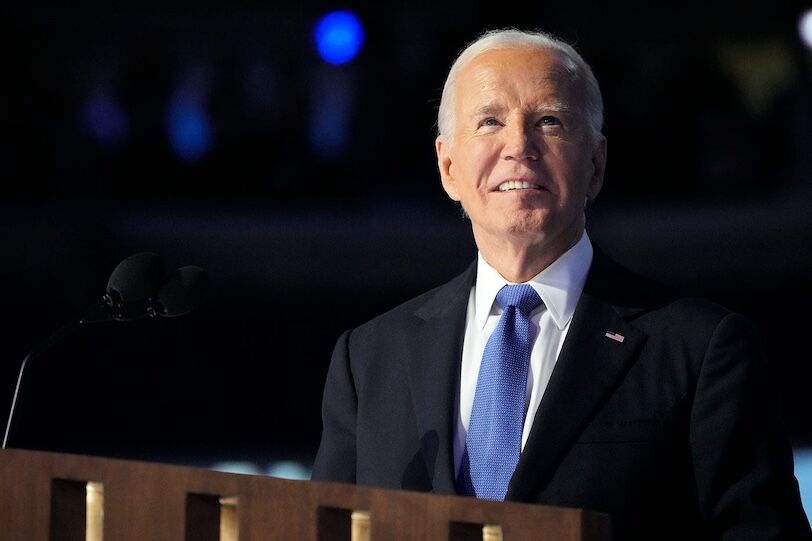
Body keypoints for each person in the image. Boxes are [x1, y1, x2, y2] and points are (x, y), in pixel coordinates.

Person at [311, 28, 811, 540]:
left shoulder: (700, 350)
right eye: (489, 122)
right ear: (448, 166)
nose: (518, 147)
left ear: (595, 164)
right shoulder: (369, 359)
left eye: (548, 122)